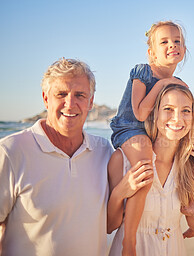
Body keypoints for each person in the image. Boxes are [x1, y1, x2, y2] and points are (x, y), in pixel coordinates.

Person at [109, 21, 194, 254]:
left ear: (184, 49)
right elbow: (140, 112)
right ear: (151, 52)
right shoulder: (143, 72)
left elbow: (181, 119)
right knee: (146, 169)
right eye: (164, 42)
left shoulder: (180, 85)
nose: (172, 45)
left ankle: (192, 203)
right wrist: (164, 83)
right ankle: (130, 241)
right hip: (130, 128)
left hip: (151, 132)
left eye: (177, 41)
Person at [0, 58, 115, 255]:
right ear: (46, 98)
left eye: (80, 95)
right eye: (61, 94)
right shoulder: (10, 151)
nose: (70, 104)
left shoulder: (104, 151)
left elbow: (112, 221)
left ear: (91, 102)